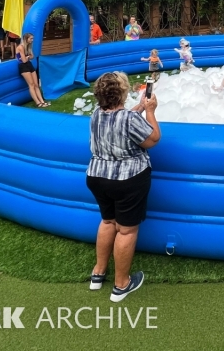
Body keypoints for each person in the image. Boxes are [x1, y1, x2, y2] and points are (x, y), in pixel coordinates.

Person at [86, 71, 161, 301]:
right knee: (126, 230)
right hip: (127, 179)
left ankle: (98, 273)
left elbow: (118, 120)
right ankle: (121, 285)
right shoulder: (129, 119)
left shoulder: (96, 114)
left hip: (97, 176)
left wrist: (139, 107)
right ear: (122, 92)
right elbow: (153, 139)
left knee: (108, 221)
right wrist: (150, 111)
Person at [16, 32, 47, 107]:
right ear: (26, 39)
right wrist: (28, 57)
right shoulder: (21, 47)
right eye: (31, 38)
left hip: (29, 64)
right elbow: (24, 61)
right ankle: (38, 103)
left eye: (32, 38)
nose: (32, 40)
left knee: (36, 84)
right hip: (23, 66)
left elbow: (32, 56)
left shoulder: (29, 46)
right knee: (31, 85)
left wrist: (27, 57)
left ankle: (42, 101)